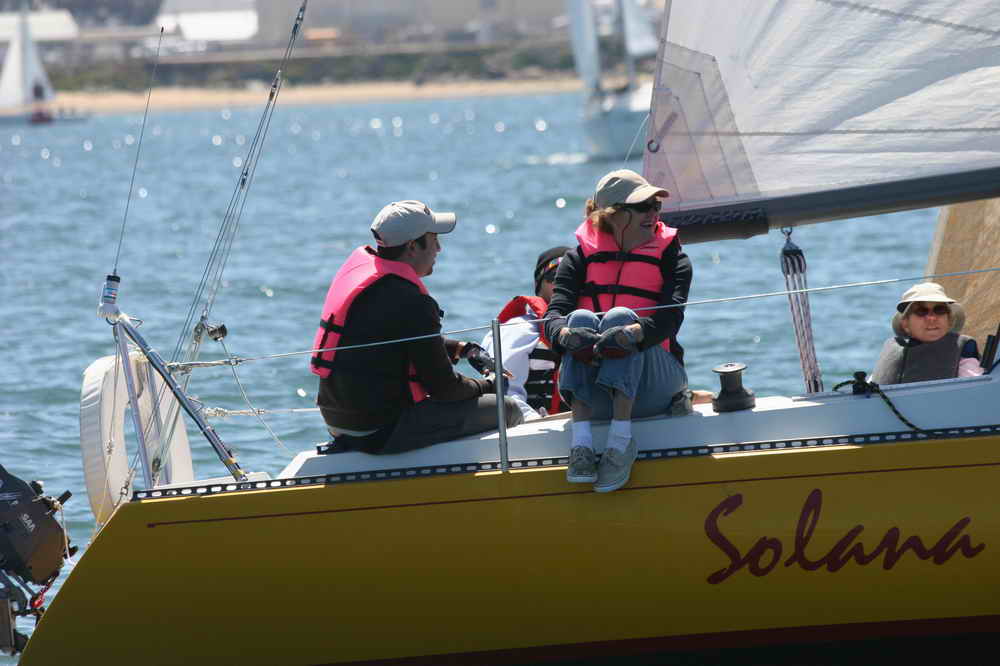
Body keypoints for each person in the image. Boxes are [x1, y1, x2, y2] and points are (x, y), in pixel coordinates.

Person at [310, 200, 523, 454]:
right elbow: (445, 389)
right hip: (381, 431)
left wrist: (461, 348)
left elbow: (391, 341)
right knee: (507, 408)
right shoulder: (413, 302)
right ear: (412, 246)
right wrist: (490, 384)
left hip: (338, 424)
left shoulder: (368, 281)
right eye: (434, 240)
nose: (439, 249)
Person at [543, 169, 691, 493]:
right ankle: (581, 446)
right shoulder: (577, 258)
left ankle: (620, 442)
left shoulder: (674, 257)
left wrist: (632, 334)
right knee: (579, 318)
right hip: (597, 393)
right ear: (613, 214)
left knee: (620, 317)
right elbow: (553, 316)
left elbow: (670, 320)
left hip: (654, 389)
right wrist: (565, 336)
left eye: (656, 206)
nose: (653, 214)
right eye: (643, 207)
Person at [476, 246, 571, 421]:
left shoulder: (590, 326)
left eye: (572, 277)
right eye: (555, 276)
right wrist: (535, 422)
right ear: (539, 285)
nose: (563, 283)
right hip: (534, 427)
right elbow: (505, 391)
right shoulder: (518, 329)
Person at [870, 282, 983, 385]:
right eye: (921, 311)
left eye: (939, 310)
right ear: (905, 324)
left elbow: (973, 387)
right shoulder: (892, 350)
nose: (931, 318)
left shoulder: (963, 350)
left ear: (949, 320)